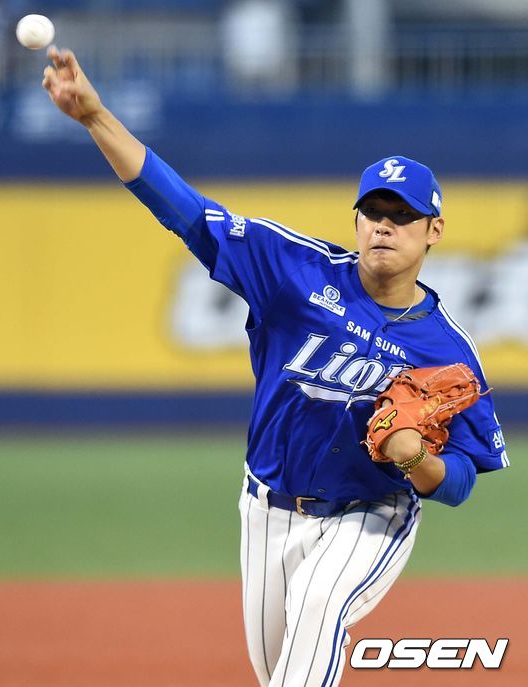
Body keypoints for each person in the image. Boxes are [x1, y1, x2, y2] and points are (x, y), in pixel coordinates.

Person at [42, 47, 508, 687]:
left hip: (369, 515)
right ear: (356, 219)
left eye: (403, 215)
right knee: (281, 672)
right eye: (374, 211)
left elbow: (461, 480)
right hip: (266, 507)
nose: (384, 226)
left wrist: (418, 461)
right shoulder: (294, 270)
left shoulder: (448, 350)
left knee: (319, 613)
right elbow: (184, 210)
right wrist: (96, 117)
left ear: (434, 231)